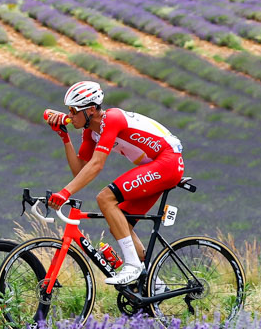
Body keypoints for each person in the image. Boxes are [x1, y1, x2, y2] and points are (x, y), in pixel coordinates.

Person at [43, 80, 185, 286]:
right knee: (121, 224)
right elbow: (80, 170)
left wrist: (65, 193)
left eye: (74, 110)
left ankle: (133, 266)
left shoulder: (112, 119)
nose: (70, 115)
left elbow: (97, 165)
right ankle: (153, 282)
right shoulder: (90, 131)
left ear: (91, 109)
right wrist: (64, 137)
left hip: (167, 161)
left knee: (105, 198)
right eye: (69, 111)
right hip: (158, 165)